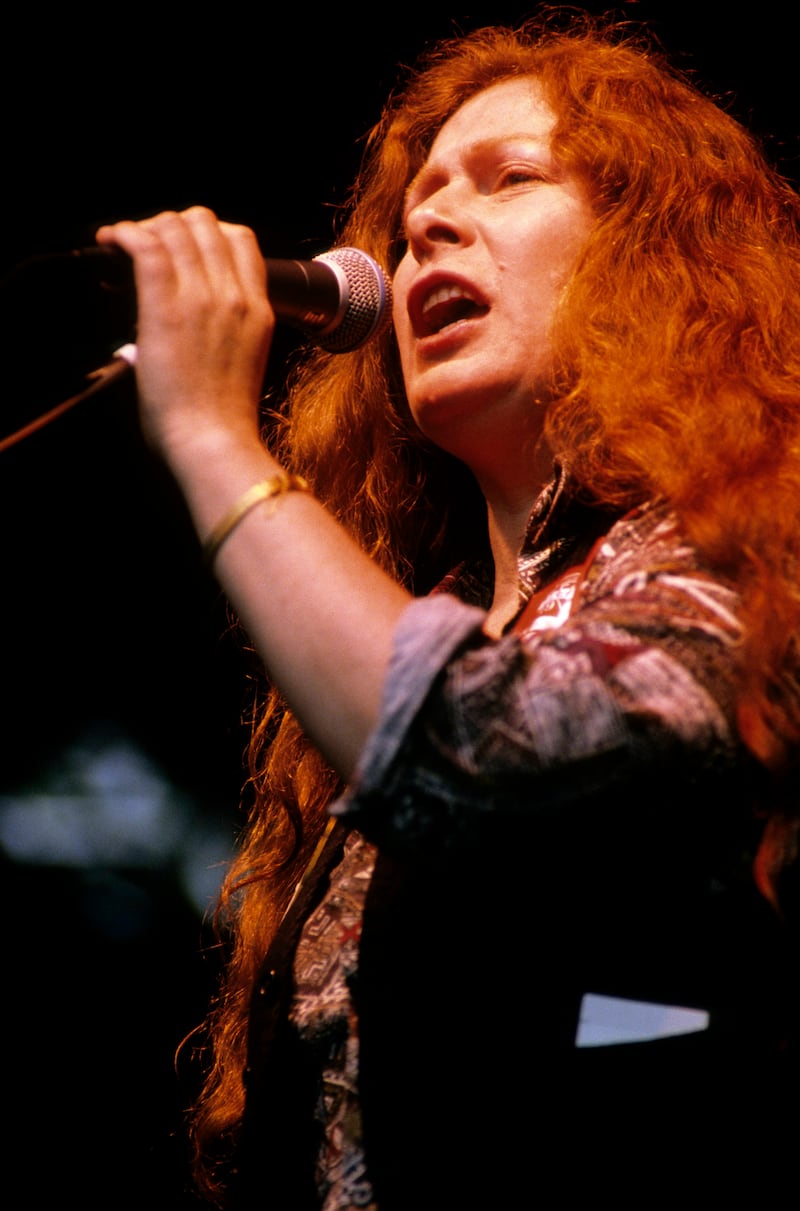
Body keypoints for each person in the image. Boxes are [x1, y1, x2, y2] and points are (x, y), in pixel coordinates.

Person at [97, 14, 800, 1209]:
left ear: (652, 249)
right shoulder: (426, 615)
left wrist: (215, 438)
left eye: (508, 178)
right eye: (414, 202)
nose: (421, 224)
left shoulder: (756, 538)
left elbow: (498, 762)